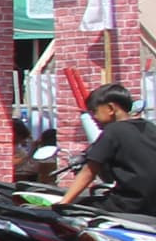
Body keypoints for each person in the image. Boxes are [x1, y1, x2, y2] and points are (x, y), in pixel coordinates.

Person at [61, 82, 156, 210]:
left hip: (129, 204)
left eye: (94, 111)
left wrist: (62, 203)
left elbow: (89, 172)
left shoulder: (113, 131)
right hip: (152, 207)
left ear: (111, 108)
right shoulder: (149, 127)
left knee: (79, 208)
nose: (93, 117)